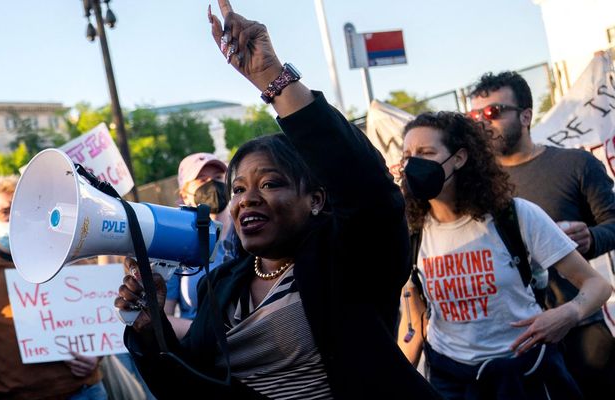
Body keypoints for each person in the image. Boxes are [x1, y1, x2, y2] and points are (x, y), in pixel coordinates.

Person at [115, 2, 440, 398]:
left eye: (269, 184)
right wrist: (151, 329)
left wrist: (272, 77)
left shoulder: (349, 260)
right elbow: (192, 387)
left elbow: (366, 188)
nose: (247, 199)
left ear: (316, 199)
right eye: (238, 190)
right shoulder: (220, 285)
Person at [397, 111, 611, 398]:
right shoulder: (411, 231)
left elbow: (598, 285)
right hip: (452, 382)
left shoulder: (515, 216)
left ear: (459, 158)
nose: (413, 164)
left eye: (426, 152)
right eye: (407, 155)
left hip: (522, 374)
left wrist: (568, 314)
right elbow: (415, 320)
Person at [468, 70, 615, 398]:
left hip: (580, 327)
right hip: (511, 343)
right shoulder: (471, 187)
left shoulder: (575, 164)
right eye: (474, 115)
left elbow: (613, 222)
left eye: (492, 112)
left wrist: (593, 237)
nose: (482, 122)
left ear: (525, 115)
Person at [0, 175, 106, 399]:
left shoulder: (65, 256)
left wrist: (97, 357)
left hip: (83, 390)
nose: (17, 218)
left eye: (24, 209)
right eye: (6, 212)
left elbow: (99, 315)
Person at [164, 153, 235, 338]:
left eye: (218, 178)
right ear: (184, 196)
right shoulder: (175, 247)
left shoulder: (248, 231)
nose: (212, 184)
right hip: (202, 350)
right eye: (202, 180)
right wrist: (211, 334)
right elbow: (163, 318)